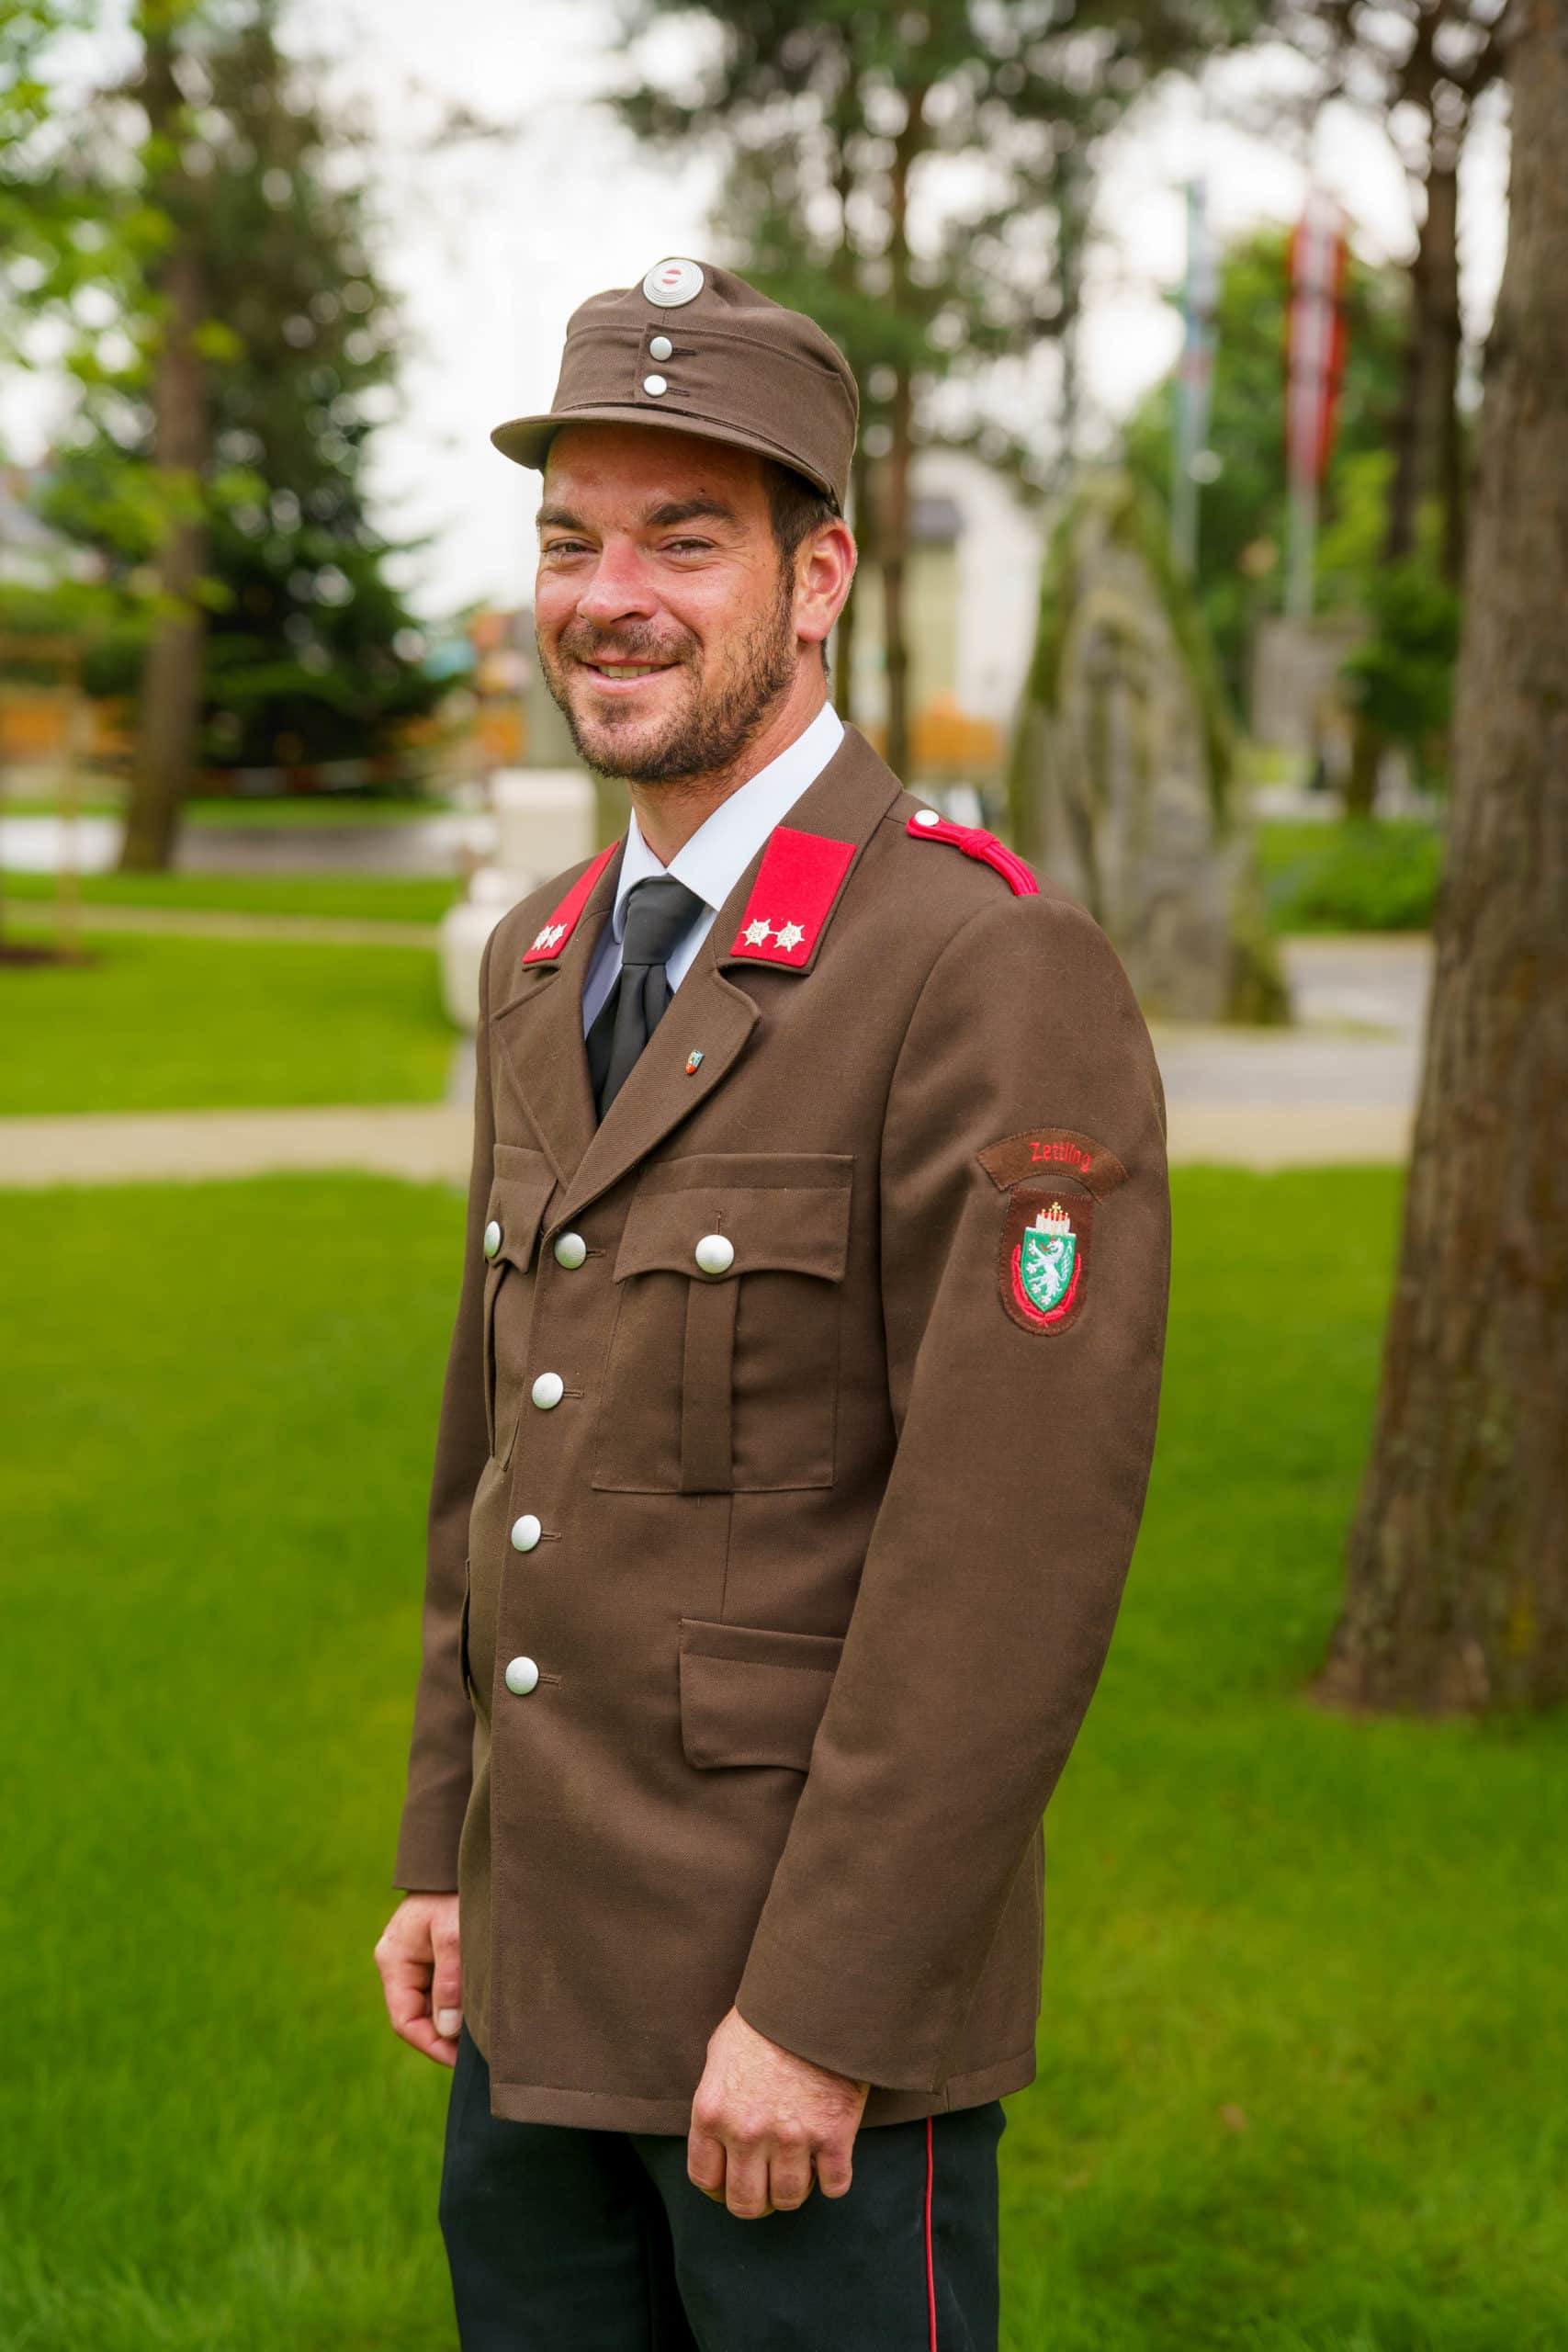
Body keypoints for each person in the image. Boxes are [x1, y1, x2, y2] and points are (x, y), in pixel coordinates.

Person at [375, 257, 1171, 2351]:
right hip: (537, 1986)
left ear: (815, 578)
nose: (604, 594)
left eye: (679, 538)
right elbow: (503, 1443)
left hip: (791, 2025)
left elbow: (1003, 1556)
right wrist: (440, 1844)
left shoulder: (972, 967)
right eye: (567, 537)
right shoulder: (542, 956)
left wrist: (821, 2009)